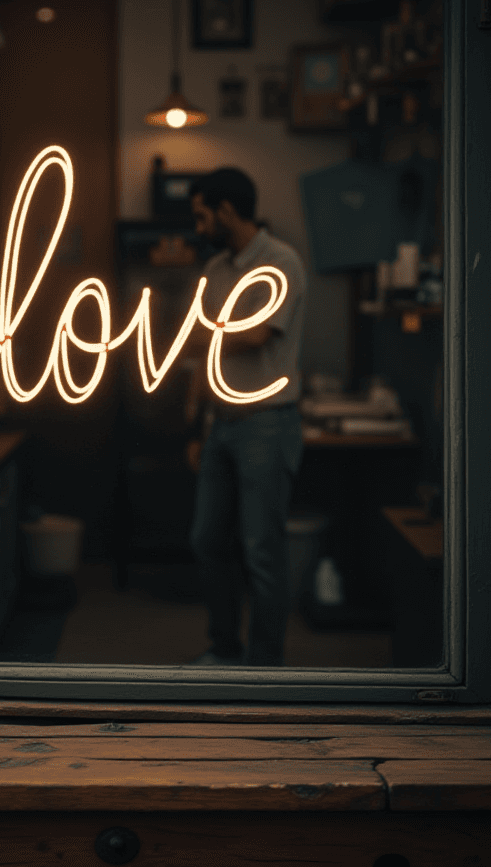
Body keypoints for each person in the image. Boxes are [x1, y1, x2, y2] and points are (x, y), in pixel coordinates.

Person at [188, 167, 307, 667]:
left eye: (202, 216)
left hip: (266, 423)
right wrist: (196, 426)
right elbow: (202, 359)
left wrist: (205, 334)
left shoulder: (282, 262)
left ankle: (265, 668)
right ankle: (223, 649)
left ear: (227, 211)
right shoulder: (216, 269)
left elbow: (257, 334)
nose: (198, 227)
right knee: (208, 541)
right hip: (222, 425)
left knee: (261, 551)